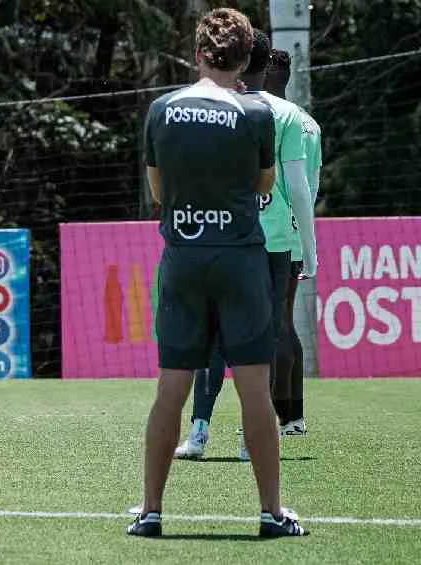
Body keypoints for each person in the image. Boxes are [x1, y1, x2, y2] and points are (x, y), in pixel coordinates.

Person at [130, 8, 306, 537]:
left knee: (171, 390)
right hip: (240, 260)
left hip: (183, 259)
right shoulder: (258, 115)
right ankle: (272, 514)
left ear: (199, 54)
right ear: (247, 58)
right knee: (255, 390)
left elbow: (158, 194)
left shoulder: (162, 110)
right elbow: (263, 185)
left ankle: (151, 512)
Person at [171, 29, 316, 461]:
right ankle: (252, 439)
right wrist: (309, 246)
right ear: (266, 64)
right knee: (263, 338)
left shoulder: (210, 108)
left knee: (213, 338)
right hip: (273, 242)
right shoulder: (290, 115)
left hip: (220, 238)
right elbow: (300, 186)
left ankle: (198, 432)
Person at [268, 48, 321, 435]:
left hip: (269, 233)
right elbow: (310, 188)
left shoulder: (263, 116)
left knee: (273, 325)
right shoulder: (310, 125)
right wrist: (309, 242)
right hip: (295, 230)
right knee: (285, 321)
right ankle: (294, 416)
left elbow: (296, 187)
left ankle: (271, 415)